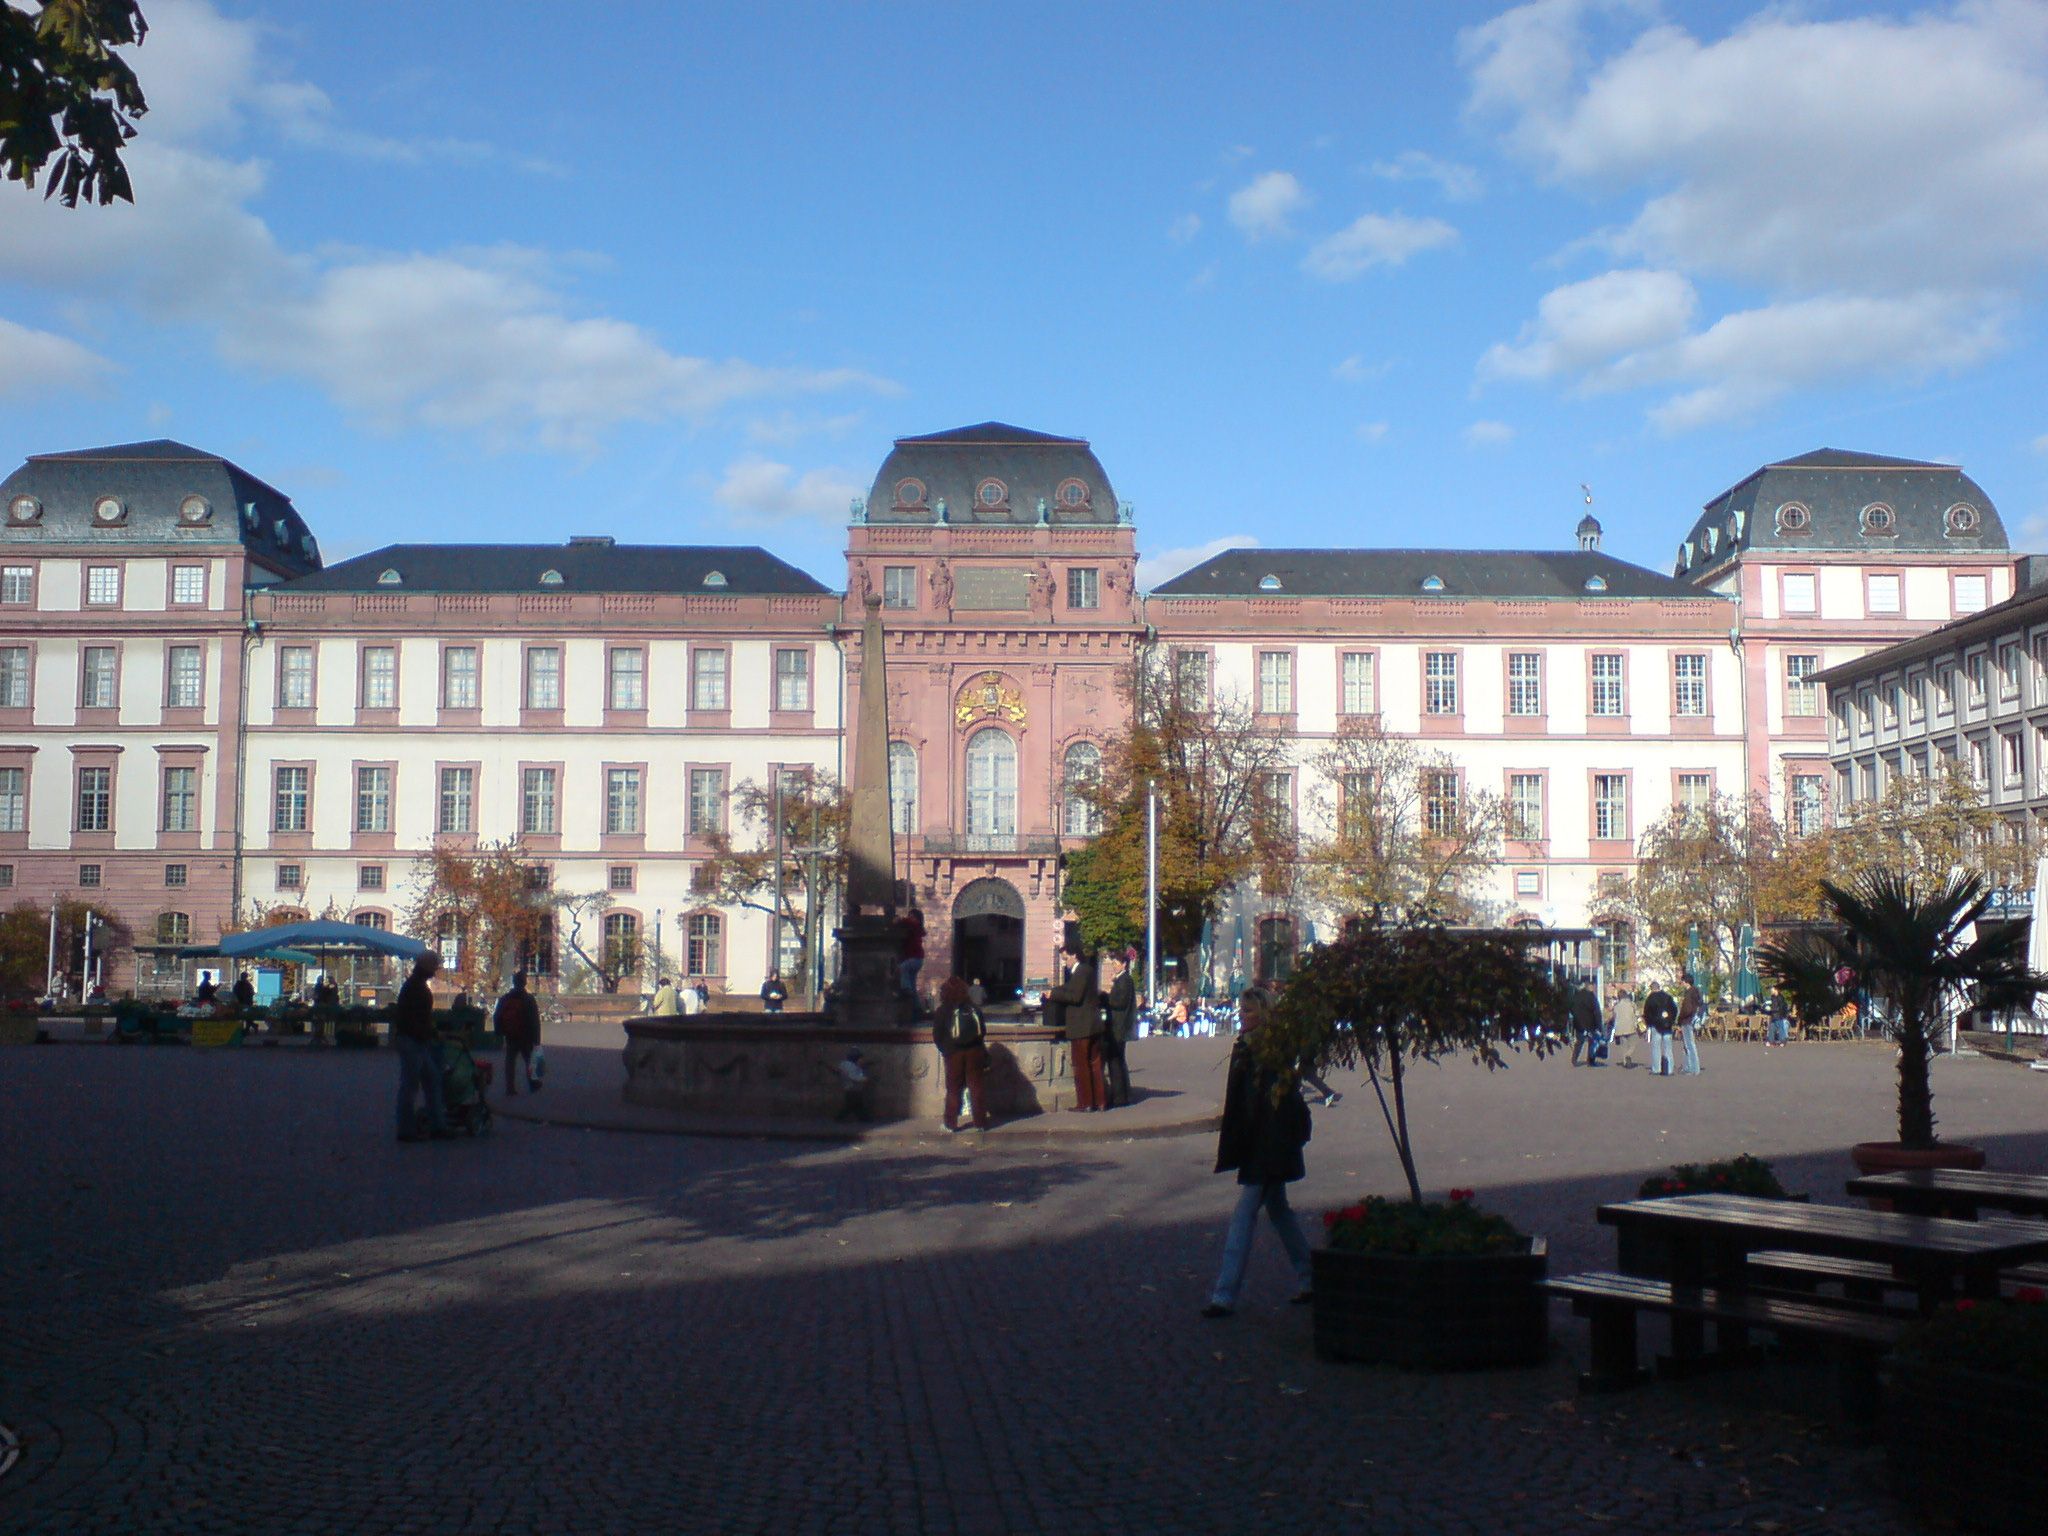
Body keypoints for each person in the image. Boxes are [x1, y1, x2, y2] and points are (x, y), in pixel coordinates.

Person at [1202, 987, 1314, 1318]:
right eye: (1241, 1009)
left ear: (1262, 1014)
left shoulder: (1265, 1049)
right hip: (1264, 1142)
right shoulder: (1254, 1046)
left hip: (1267, 1143)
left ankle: (1225, 1294)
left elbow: (1266, 1103)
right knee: (1278, 1210)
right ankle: (1309, 1276)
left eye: (1247, 1010)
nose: (1241, 1015)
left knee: (1244, 1215)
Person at [393, 952, 450, 1142]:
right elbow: (416, 1020)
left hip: (415, 1040)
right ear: (426, 968)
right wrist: (432, 1033)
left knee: (430, 1080)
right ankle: (407, 1130)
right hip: (413, 1041)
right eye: (433, 969)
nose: (434, 973)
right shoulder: (417, 989)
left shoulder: (413, 986)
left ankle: (436, 1126)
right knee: (412, 1085)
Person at [1049, 941, 1105, 1111]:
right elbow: (1069, 988)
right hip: (1093, 1025)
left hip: (1082, 1026)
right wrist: (1056, 990)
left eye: (1066, 959)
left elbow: (1074, 996)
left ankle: (1086, 1103)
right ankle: (1100, 1102)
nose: (1065, 963)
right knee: (1095, 1064)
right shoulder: (1087, 971)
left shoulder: (1080, 971)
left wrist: (1053, 994)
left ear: (1074, 955)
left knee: (1081, 1065)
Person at [933, 975, 992, 1131]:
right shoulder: (974, 1008)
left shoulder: (943, 1010)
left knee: (953, 1088)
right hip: (975, 1051)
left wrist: (946, 1049)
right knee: (976, 1086)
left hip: (953, 1054)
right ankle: (980, 1122)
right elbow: (982, 1031)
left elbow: (937, 1035)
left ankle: (950, 1123)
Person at [494, 970, 542, 1095]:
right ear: (525, 982)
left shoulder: (505, 998)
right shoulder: (529, 999)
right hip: (525, 1035)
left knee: (510, 1060)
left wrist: (499, 1031)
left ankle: (510, 1087)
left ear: (514, 982)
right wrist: (537, 1039)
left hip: (510, 1034)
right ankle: (533, 1083)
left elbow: (497, 1015)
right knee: (529, 1060)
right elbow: (534, 1020)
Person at [1100, 953, 1137, 1108]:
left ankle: (1120, 1097)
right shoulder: (1122, 980)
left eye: (1115, 963)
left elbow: (1119, 1002)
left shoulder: (1124, 980)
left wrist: (1104, 997)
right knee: (1118, 1061)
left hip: (1118, 1026)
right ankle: (1123, 1095)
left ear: (1124, 965)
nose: (1113, 966)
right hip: (1119, 1026)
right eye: (1113, 963)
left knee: (1115, 1061)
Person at [1644, 982, 1678, 1077]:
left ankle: (1657, 1068)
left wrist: (1649, 1023)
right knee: (1668, 1047)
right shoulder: (1668, 997)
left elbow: (1647, 1012)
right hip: (1667, 1026)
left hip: (1656, 1025)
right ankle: (1670, 1069)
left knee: (1656, 1047)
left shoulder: (1650, 998)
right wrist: (1671, 1020)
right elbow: (1674, 1009)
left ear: (1652, 988)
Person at [1569, 978, 1604, 1066]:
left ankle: (1574, 1059)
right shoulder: (1591, 996)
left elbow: (1571, 1009)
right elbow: (1596, 1012)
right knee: (1592, 1042)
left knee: (1579, 1042)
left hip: (1578, 1023)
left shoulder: (1576, 996)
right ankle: (1590, 1060)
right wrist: (1599, 1026)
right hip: (1590, 1023)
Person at [896, 905, 926, 1000]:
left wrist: (900, 919)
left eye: (911, 916)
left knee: (902, 967)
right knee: (913, 984)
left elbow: (912, 922)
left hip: (916, 958)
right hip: (916, 959)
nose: (909, 918)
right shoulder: (914, 928)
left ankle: (906, 989)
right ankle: (916, 1008)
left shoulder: (916, 926)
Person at [834, 1049, 872, 1122]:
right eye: (860, 1058)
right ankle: (839, 1119)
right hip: (852, 1089)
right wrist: (865, 1079)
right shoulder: (850, 1066)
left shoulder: (848, 1065)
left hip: (852, 1089)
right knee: (852, 1106)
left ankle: (864, 1119)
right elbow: (854, 1077)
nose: (861, 1060)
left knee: (857, 1106)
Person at [1678, 976, 1705, 1075]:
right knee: (1687, 1045)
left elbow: (1687, 1009)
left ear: (1686, 982)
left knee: (1689, 1045)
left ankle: (1694, 1068)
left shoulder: (1689, 993)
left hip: (1687, 1020)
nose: (1681, 984)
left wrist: (1680, 1018)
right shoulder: (1696, 992)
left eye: (1682, 982)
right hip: (1692, 1020)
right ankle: (1687, 1067)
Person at [1611, 989, 1642, 1069]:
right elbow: (1637, 1014)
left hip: (1620, 1028)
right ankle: (1629, 1054)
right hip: (1631, 1027)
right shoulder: (1632, 1004)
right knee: (1633, 1043)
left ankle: (1625, 1061)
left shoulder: (1616, 1006)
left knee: (1623, 1045)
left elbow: (1614, 1017)